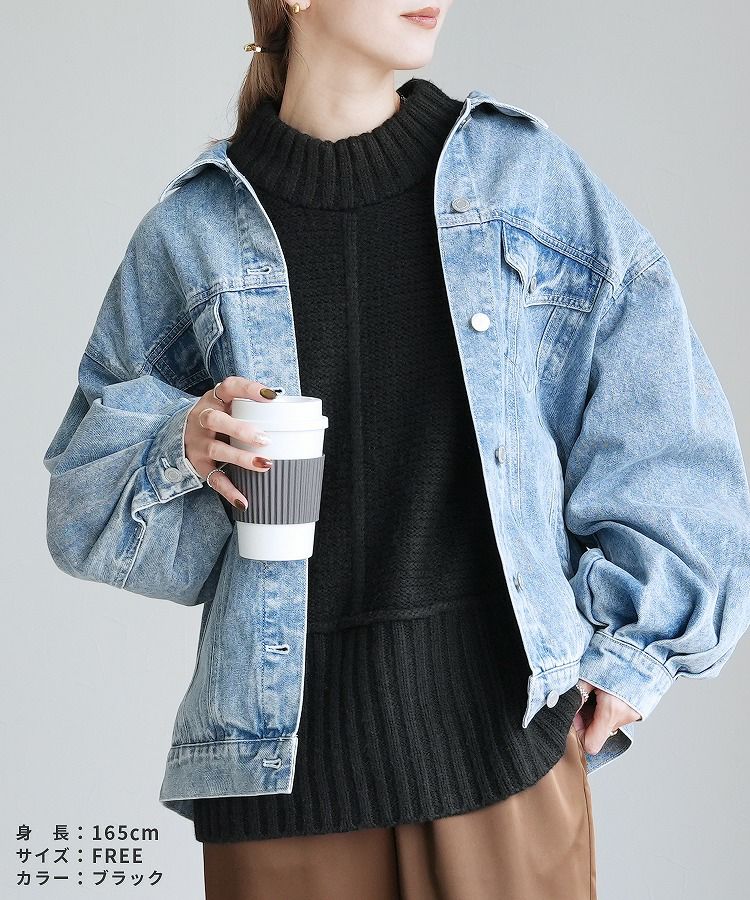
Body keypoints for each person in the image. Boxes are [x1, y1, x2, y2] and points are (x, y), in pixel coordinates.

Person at [42, 2, 750, 899]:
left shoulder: (516, 179)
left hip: (501, 760)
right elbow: (81, 505)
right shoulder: (194, 233)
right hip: (277, 793)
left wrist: (637, 653)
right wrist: (179, 445)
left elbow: (665, 417)